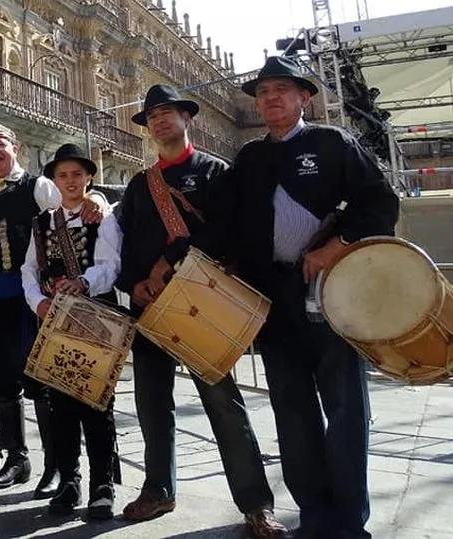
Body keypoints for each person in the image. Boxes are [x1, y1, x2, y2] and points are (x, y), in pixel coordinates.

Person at [223, 56, 399, 539]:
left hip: (333, 289)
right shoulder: (250, 158)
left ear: (304, 97)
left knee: (345, 407)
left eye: (282, 89)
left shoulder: (333, 143)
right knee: (291, 409)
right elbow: (232, 223)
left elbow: (381, 203)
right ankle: (314, 513)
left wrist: (335, 247)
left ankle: (347, 521)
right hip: (274, 299)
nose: (271, 98)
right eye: (262, 92)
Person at [114, 85, 286, 538]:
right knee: (152, 405)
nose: (159, 120)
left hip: (199, 302)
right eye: (152, 116)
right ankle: (158, 489)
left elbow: (229, 230)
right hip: (150, 307)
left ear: (186, 118)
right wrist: (133, 284)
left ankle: (255, 504)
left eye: (167, 112)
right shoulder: (139, 184)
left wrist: (169, 262)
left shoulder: (214, 172)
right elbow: (124, 242)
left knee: (223, 404)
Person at [0, 123, 105, 494]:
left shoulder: (38, 187)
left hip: (30, 305)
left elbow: (73, 210)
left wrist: (98, 199)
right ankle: (16, 458)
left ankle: (56, 465)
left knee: (42, 383)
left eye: (1, 145)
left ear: (17, 149)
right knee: (2, 383)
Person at [20, 143, 122, 520]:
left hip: (95, 316)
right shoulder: (42, 222)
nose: (70, 181)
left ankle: (102, 485)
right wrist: (38, 302)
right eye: (63, 175)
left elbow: (111, 265)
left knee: (96, 404)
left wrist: (84, 282)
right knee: (59, 405)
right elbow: (29, 270)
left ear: (89, 178)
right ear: (54, 180)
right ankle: (70, 481)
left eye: (77, 174)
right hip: (54, 320)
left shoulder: (103, 217)